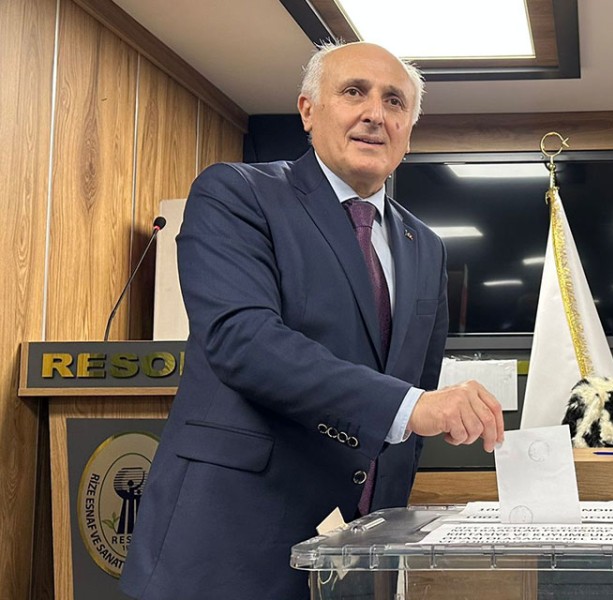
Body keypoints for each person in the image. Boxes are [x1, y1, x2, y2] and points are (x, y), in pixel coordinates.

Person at [120, 42, 506, 600]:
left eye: (394, 102)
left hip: (357, 557)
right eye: (354, 92)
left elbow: (415, 385)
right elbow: (244, 341)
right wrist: (410, 407)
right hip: (227, 547)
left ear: (408, 129)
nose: (375, 113)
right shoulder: (236, 193)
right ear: (308, 110)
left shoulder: (426, 246)